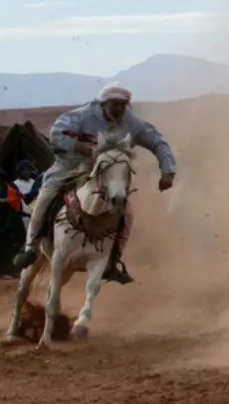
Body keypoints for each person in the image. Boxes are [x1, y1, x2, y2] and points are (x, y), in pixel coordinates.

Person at [12, 85, 176, 284]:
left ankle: (112, 261)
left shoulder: (133, 123)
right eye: (114, 104)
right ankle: (30, 247)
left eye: (123, 104)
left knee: (127, 212)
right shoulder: (81, 116)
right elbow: (57, 133)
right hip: (71, 167)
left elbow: (158, 142)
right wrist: (80, 146)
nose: (118, 108)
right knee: (46, 196)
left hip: (109, 173)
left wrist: (167, 170)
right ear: (103, 103)